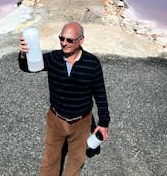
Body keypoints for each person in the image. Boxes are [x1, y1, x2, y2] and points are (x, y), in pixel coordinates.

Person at [18, 21, 110, 176]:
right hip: (56, 119)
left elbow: (100, 94)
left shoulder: (92, 64)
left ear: (81, 40)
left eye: (69, 40)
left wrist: (103, 123)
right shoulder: (53, 58)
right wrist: (23, 54)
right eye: (61, 38)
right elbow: (27, 67)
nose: (64, 43)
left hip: (82, 122)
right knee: (50, 160)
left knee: (76, 159)